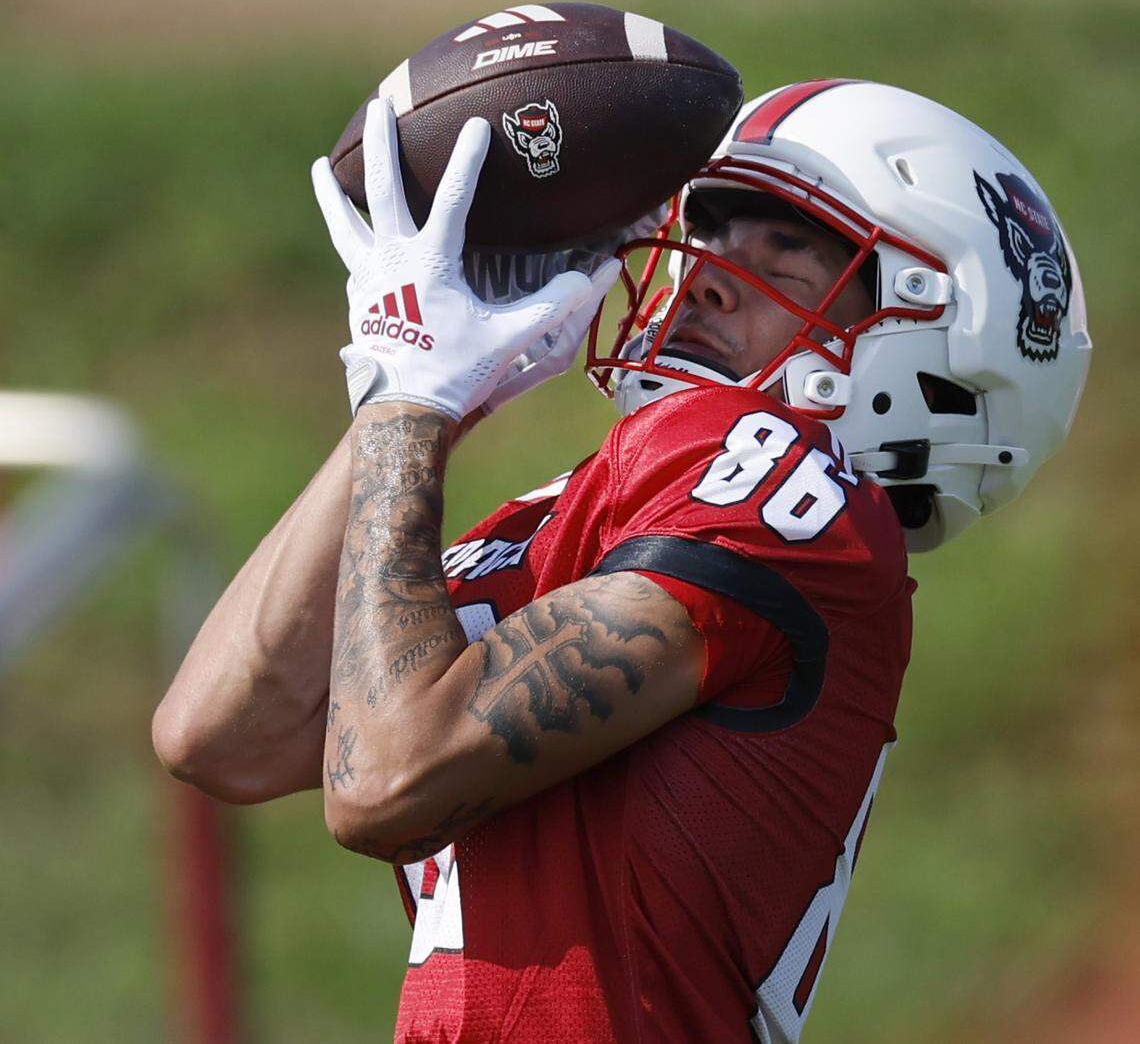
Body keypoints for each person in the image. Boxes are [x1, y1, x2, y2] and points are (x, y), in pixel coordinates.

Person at [153, 79, 1090, 1042]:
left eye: (790, 248)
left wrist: (412, 409)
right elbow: (225, 733)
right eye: (715, 233)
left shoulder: (796, 493)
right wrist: (403, 386)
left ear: (931, 334)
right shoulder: (571, 512)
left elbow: (389, 776)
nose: (710, 273)